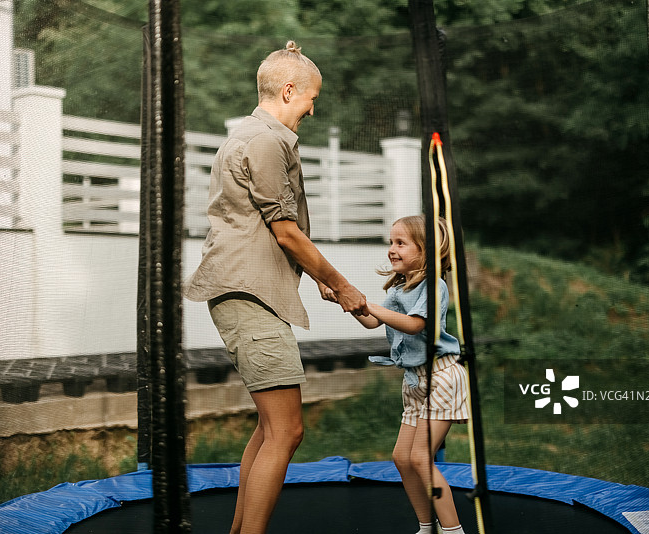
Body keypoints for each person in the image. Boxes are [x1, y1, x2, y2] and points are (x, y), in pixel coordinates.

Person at [183, 41, 368, 534]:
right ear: (289, 91)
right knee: (287, 430)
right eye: (311, 98)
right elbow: (285, 230)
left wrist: (321, 280)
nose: (312, 109)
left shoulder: (251, 135)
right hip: (249, 298)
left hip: (246, 293)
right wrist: (343, 286)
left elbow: (271, 230)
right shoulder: (267, 141)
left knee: (270, 429)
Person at [350, 215, 468, 534]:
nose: (392, 249)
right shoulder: (400, 288)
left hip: (442, 378)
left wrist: (368, 304)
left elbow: (415, 324)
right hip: (415, 382)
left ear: (425, 250)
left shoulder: (434, 286)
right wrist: (350, 303)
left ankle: (454, 531)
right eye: (391, 242)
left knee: (420, 458)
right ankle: (426, 527)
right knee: (402, 458)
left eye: (400, 243)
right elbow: (373, 322)